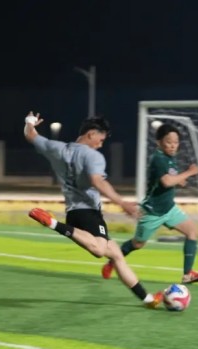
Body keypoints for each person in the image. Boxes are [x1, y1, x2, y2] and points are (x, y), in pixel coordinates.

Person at [23, 111, 163, 309]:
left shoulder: (57, 148)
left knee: (116, 255)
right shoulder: (93, 156)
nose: (100, 144)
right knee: (99, 250)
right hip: (88, 212)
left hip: (73, 213)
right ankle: (53, 223)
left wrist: (29, 121)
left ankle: (147, 299)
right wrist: (122, 203)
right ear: (91, 134)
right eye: (101, 140)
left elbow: (30, 135)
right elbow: (98, 181)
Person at [101, 123, 198, 284]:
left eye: (176, 142)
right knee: (138, 244)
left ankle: (188, 275)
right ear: (159, 142)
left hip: (169, 209)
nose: (173, 145)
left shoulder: (170, 158)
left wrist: (179, 180)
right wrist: (190, 172)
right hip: (152, 211)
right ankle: (112, 262)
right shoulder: (158, 158)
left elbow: (169, 179)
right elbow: (166, 181)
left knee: (192, 231)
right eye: (168, 142)